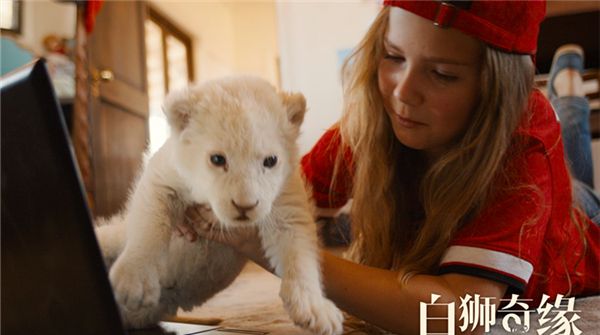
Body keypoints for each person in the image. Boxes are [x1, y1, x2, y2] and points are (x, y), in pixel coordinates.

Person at [179, 1, 600, 334]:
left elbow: (458, 316)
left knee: (574, 164)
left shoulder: (523, 143)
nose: (403, 92)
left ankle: (567, 93)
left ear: (496, 90)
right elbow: (277, 196)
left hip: (573, 234)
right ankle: (568, 90)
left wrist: (288, 255)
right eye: (393, 56)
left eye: (441, 74)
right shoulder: (370, 120)